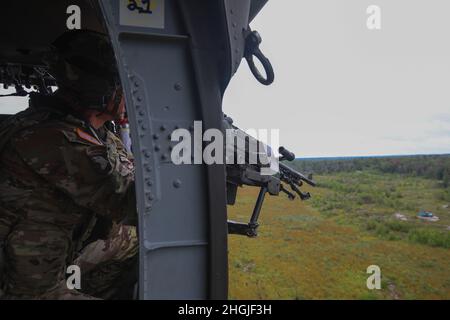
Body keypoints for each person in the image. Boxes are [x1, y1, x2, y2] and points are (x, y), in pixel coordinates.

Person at [0, 30, 138, 299]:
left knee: (133, 241)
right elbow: (132, 203)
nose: (131, 95)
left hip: (53, 248)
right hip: (25, 280)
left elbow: (126, 168)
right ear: (102, 89)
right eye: (123, 85)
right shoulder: (54, 138)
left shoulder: (93, 130)